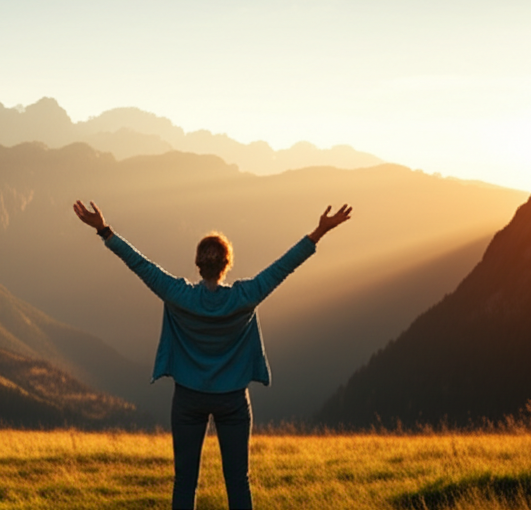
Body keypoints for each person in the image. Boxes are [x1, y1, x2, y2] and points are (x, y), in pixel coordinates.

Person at [73, 200, 352, 510]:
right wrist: (320, 231)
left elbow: (140, 264)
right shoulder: (245, 297)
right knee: (238, 481)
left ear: (198, 264)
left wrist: (104, 230)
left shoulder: (178, 295)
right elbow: (284, 266)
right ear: (226, 264)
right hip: (233, 399)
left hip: (188, 397)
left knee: (184, 481)